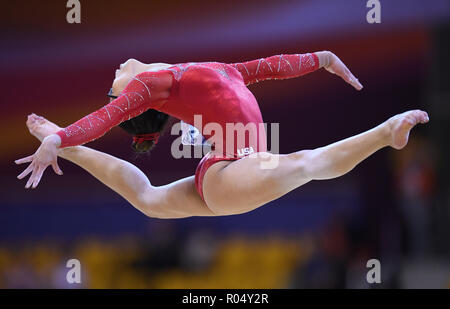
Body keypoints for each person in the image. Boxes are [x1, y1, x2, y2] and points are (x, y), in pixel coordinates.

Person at [16, 51, 429, 218]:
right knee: (304, 163)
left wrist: (320, 59)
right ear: (129, 95)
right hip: (233, 168)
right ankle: (385, 132)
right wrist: (62, 137)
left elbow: (270, 66)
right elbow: (106, 117)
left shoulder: (209, 69)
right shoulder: (151, 87)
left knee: (148, 199)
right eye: (114, 83)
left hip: (228, 172)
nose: (116, 72)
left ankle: (68, 150)